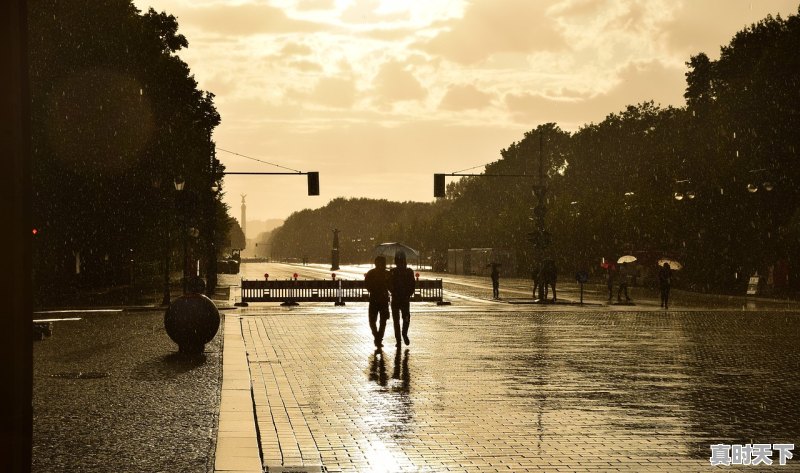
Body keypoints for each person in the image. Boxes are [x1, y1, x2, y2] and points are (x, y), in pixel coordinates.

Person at [389, 251, 416, 347]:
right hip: (405, 299)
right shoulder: (409, 271)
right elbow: (412, 285)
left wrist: (393, 291)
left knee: (396, 321)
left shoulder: (392, 272)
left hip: (396, 299)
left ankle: (398, 340)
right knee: (406, 317)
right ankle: (404, 333)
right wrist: (408, 294)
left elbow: (389, 285)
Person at [365, 256, 390, 349]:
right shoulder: (384, 273)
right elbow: (367, 284)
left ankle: (378, 338)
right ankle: (378, 337)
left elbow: (366, 284)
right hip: (380, 299)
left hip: (376, 299)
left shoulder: (373, 273)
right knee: (378, 321)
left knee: (378, 321)